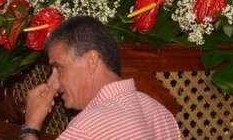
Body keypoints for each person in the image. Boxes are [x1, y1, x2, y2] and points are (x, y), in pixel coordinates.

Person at [23, 16, 180, 140]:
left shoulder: (86, 129)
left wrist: (30, 128)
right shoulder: (160, 114)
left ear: (91, 60)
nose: (53, 83)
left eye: (58, 68)